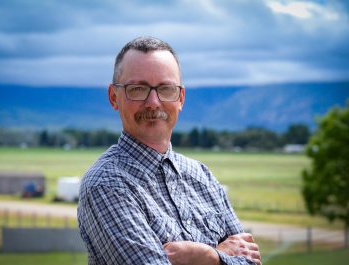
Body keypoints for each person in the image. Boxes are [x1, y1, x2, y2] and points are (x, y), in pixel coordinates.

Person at [77, 36, 261, 265]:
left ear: (181, 98)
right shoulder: (106, 184)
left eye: (165, 89)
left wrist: (206, 256)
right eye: (138, 89)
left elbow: (251, 261)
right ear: (114, 97)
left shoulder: (201, 176)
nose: (153, 102)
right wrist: (217, 255)